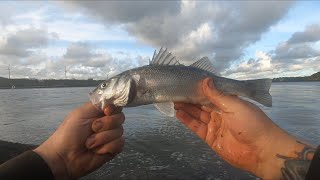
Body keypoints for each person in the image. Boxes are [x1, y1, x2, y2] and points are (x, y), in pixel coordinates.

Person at [0, 77, 318, 179]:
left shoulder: (141, 82)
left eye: (104, 86)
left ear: (127, 83)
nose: (100, 91)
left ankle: (252, 88)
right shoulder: (134, 91)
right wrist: (57, 159)